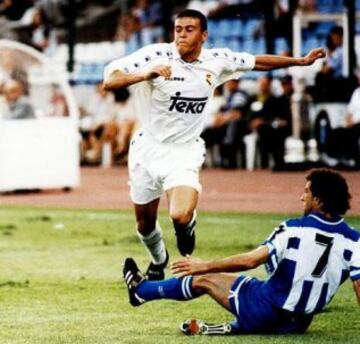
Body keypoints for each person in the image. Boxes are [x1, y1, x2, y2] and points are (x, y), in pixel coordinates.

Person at [103, 9, 325, 281]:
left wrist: (299, 61)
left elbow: (256, 62)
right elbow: (110, 80)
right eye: (178, 29)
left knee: (180, 215)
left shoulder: (217, 61)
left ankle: (188, 224)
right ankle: (158, 261)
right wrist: (144, 75)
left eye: (189, 29)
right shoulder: (154, 55)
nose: (181, 35)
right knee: (144, 224)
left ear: (204, 35)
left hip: (184, 149)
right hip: (147, 148)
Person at [123, 168, 360, 336]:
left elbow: (250, 261)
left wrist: (204, 265)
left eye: (306, 192)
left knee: (203, 279)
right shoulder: (354, 240)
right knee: (250, 285)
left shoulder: (294, 228)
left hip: (266, 310)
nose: (301, 197)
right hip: (299, 323)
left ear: (318, 199)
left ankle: (142, 291)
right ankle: (237, 327)